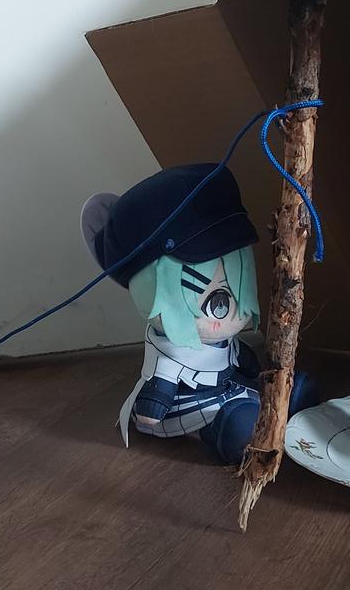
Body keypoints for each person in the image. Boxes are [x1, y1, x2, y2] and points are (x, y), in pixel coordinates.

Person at [81, 164, 318, 464]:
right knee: (237, 423)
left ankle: (284, 401)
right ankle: (229, 430)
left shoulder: (223, 342)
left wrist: (253, 366)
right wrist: (153, 405)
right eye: (217, 301)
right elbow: (155, 402)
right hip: (192, 405)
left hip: (228, 385)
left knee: (270, 392)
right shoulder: (170, 359)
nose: (230, 310)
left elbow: (241, 360)